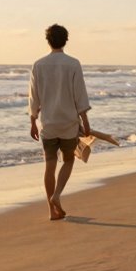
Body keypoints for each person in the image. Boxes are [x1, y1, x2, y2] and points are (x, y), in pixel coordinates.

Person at [28, 24, 91, 220]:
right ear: (65, 40)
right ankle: (56, 196)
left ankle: (51, 211)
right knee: (69, 160)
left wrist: (32, 120)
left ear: (48, 41)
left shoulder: (38, 65)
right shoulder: (73, 64)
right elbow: (79, 94)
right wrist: (85, 120)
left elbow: (34, 96)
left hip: (48, 123)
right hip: (68, 123)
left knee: (49, 165)